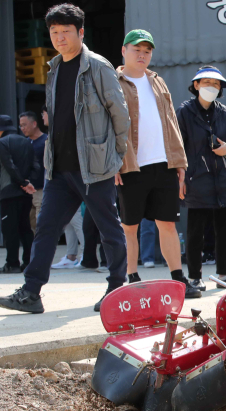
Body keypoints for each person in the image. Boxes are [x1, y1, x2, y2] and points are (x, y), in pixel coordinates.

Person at [0, 4, 129, 314]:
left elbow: (120, 115)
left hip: (94, 166)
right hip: (59, 168)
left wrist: (117, 159)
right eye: (54, 32)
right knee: (45, 227)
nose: (59, 38)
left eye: (65, 32)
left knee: (108, 228)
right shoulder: (54, 67)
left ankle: (116, 290)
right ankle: (31, 292)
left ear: (80, 32)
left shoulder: (98, 66)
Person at [116, 29, 200, 298]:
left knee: (168, 223)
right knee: (129, 226)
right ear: (124, 51)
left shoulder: (158, 82)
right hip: (130, 165)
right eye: (136, 49)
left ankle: (179, 279)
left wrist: (180, 164)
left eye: (147, 50)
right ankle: (131, 279)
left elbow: (172, 124)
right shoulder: (112, 82)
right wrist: (113, 163)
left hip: (163, 164)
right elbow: (106, 126)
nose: (142, 55)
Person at [176, 65, 226, 291]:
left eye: (216, 84)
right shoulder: (184, 111)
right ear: (196, 85)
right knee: (195, 231)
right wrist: (180, 176)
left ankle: (224, 275)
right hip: (196, 178)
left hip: (224, 179)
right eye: (206, 83)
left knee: (225, 229)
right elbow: (178, 146)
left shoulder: (223, 111)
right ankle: (195, 277)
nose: (211, 87)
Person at [0, 115, 37, 274]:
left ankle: (12, 263)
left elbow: (9, 165)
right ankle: (28, 262)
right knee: (25, 228)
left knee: (10, 229)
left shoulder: (2, 142)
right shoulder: (27, 142)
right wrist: (28, 183)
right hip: (25, 193)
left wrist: (21, 182)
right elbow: (35, 165)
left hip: (9, 192)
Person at [18, 111, 47, 232]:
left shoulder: (47, 141)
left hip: (41, 189)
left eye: (24, 124)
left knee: (42, 225)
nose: (22, 128)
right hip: (27, 191)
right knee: (30, 227)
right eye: (20, 125)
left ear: (34, 123)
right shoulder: (24, 143)